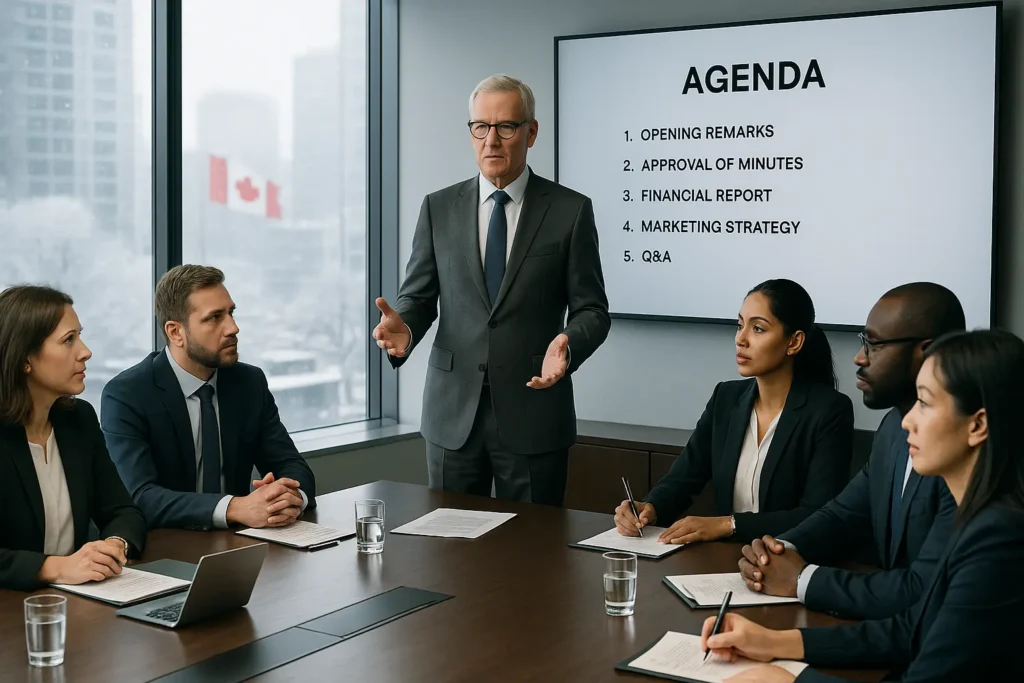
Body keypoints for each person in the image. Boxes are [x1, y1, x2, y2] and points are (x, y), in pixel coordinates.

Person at [703, 329, 1024, 683]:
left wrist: (785, 680)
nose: (907, 421)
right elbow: (910, 630)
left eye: (925, 403)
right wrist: (772, 642)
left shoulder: (999, 539)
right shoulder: (980, 517)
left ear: (977, 425)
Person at [371, 74, 610, 506]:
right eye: (480, 127)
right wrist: (405, 328)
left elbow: (592, 310)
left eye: (506, 127)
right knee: (448, 540)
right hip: (451, 412)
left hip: (535, 410)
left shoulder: (570, 210)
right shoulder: (438, 207)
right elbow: (419, 297)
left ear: (531, 132)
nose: (491, 140)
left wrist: (568, 344)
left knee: (535, 542)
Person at [739, 283, 963, 619]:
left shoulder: (966, 450)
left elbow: (925, 589)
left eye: (874, 344)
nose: (859, 357)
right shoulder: (892, 428)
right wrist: (777, 551)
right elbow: (841, 516)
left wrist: (801, 579)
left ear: (927, 352)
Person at [614, 279, 853, 544]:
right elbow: (683, 479)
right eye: (740, 326)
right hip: (726, 559)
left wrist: (729, 524)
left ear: (794, 342)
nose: (741, 339)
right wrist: (650, 508)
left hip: (788, 558)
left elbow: (818, 515)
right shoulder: (726, 398)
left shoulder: (829, 410)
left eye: (758, 329)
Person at [101, 265, 316, 531]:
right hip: (166, 546)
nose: (233, 328)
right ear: (175, 332)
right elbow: (141, 496)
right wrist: (236, 508)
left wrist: (288, 497)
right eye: (214, 318)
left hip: (240, 542)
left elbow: (291, 465)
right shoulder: (128, 394)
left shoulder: (248, 383)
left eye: (231, 313)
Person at [0, 285, 147, 591]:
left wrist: (114, 545)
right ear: (25, 358)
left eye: (80, 336)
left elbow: (123, 511)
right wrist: (55, 567)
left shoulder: (78, 419)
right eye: (69, 340)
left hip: (79, 600)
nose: (85, 352)